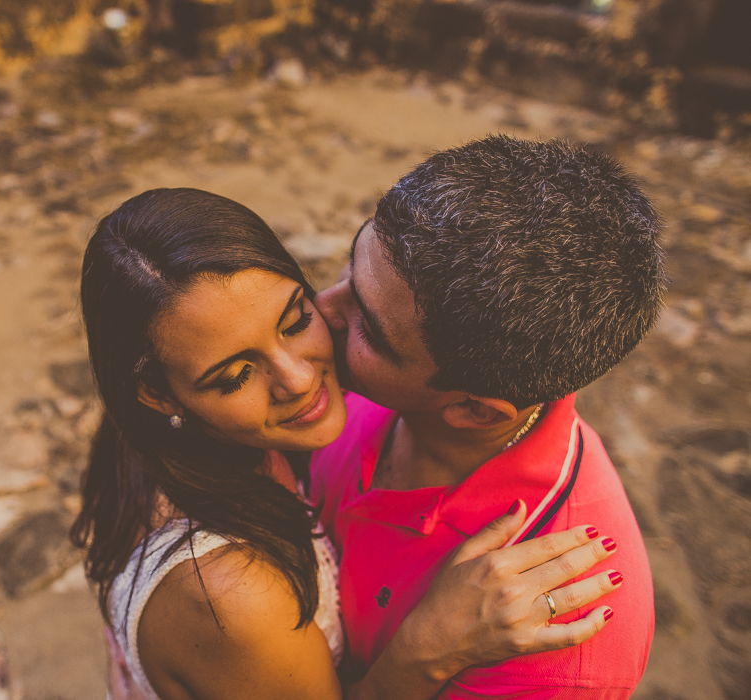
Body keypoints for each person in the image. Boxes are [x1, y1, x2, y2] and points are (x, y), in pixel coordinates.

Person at [71, 187, 623, 700]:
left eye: (293, 320)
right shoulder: (231, 596)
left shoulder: (165, 430)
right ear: (156, 394)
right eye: (235, 375)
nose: (299, 379)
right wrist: (424, 650)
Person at [312, 135, 662, 698]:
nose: (319, 311)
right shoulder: (341, 376)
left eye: (368, 331)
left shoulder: (556, 650)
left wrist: (419, 657)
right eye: (350, 270)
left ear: (474, 409)